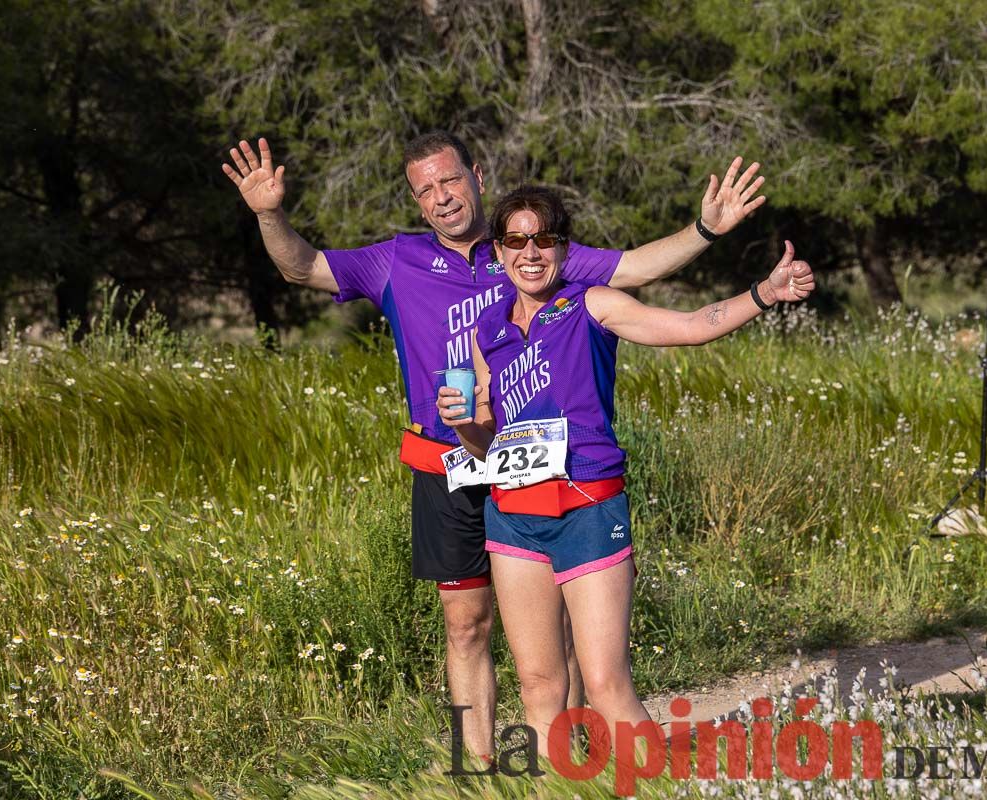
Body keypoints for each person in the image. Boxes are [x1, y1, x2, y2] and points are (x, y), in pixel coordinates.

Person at [222, 132, 767, 760]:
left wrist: (706, 227)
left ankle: (578, 753)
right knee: (466, 624)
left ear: (476, 176)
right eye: (425, 189)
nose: (441, 197)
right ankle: (475, 766)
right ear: (416, 200)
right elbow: (299, 266)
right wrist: (268, 213)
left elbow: (640, 268)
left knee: (560, 626)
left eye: (450, 180)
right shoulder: (395, 260)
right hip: (448, 460)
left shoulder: (524, 247)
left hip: (538, 458)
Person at [437, 186, 813, 756]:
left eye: (545, 239)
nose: (530, 252)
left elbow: (691, 325)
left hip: (587, 507)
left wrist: (763, 293)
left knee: (608, 686)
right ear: (498, 250)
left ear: (563, 250)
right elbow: (485, 443)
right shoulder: (486, 330)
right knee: (540, 687)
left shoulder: (593, 304)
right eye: (516, 240)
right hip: (512, 517)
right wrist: (463, 424)